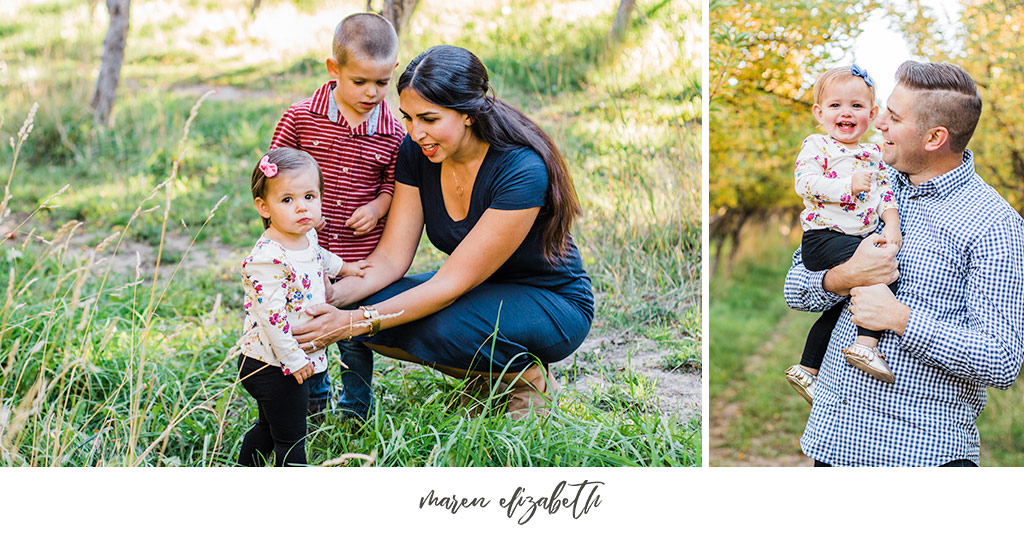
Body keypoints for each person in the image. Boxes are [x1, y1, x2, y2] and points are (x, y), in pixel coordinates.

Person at [291, 45, 594, 419]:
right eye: (408, 118)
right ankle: (487, 376)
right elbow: (390, 258)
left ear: (468, 114)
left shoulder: (521, 169)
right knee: (364, 307)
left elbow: (448, 286)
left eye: (429, 119)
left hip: (549, 300)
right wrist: (334, 299)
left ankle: (522, 376)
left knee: (435, 324)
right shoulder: (417, 153)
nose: (416, 132)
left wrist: (351, 324)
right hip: (477, 293)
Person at [784, 61, 1024, 466]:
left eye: (893, 118)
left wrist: (900, 319)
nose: (877, 123)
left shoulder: (995, 226)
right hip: (832, 443)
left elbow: (1001, 360)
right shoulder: (870, 179)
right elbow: (795, 286)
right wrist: (844, 277)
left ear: (935, 138)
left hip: (919, 455)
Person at [268, 12, 406, 418]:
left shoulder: (392, 131)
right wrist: (291, 217)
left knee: (352, 334)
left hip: (357, 256)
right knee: (308, 327)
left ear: (393, 72)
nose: (371, 93)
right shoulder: (301, 117)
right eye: (359, 81)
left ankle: (355, 408)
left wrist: (379, 205)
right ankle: (311, 401)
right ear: (334, 69)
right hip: (303, 253)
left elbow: (395, 182)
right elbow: (271, 172)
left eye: (381, 83)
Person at [236, 148, 368, 466]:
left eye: (310, 196)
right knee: (292, 437)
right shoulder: (268, 257)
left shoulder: (305, 235)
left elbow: (319, 256)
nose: (302, 207)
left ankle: (244, 468)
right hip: (272, 362)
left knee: (270, 427)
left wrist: (345, 268)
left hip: (290, 359)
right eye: (287, 200)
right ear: (263, 207)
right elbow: (272, 317)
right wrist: (293, 359)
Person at [784, 65, 902, 405]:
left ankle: (808, 369)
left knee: (840, 306)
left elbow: (884, 196)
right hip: (824, 236)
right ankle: (865, 346)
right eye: (835, 106)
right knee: (883, 273)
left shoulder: (874, 155)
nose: (845, 112)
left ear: (872, 114)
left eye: (856, 106)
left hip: (854, 237)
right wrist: (846, 187)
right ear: (819, 113)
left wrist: (892, 224)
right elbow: (804, 183)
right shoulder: (817, 145)